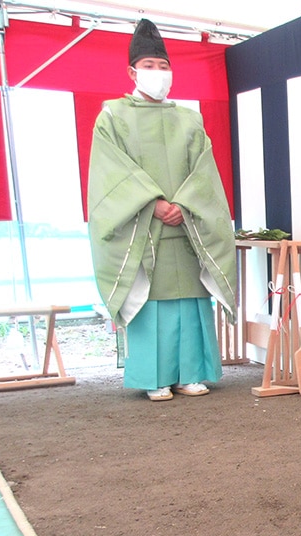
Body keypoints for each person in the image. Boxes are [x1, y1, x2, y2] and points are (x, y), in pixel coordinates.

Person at [87, 19, 237, 402]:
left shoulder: (190, 119)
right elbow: (112, 172)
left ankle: (191, 373)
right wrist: (152, 204)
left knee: (189, 301)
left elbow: (204, 171)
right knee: (151, 306)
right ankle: (154, 378)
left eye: (163, 65)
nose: (157, 73)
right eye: (149, 65)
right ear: (132, 71)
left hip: (185, 225)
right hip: (142, 226)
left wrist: (182, 205)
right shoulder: (113, 117)